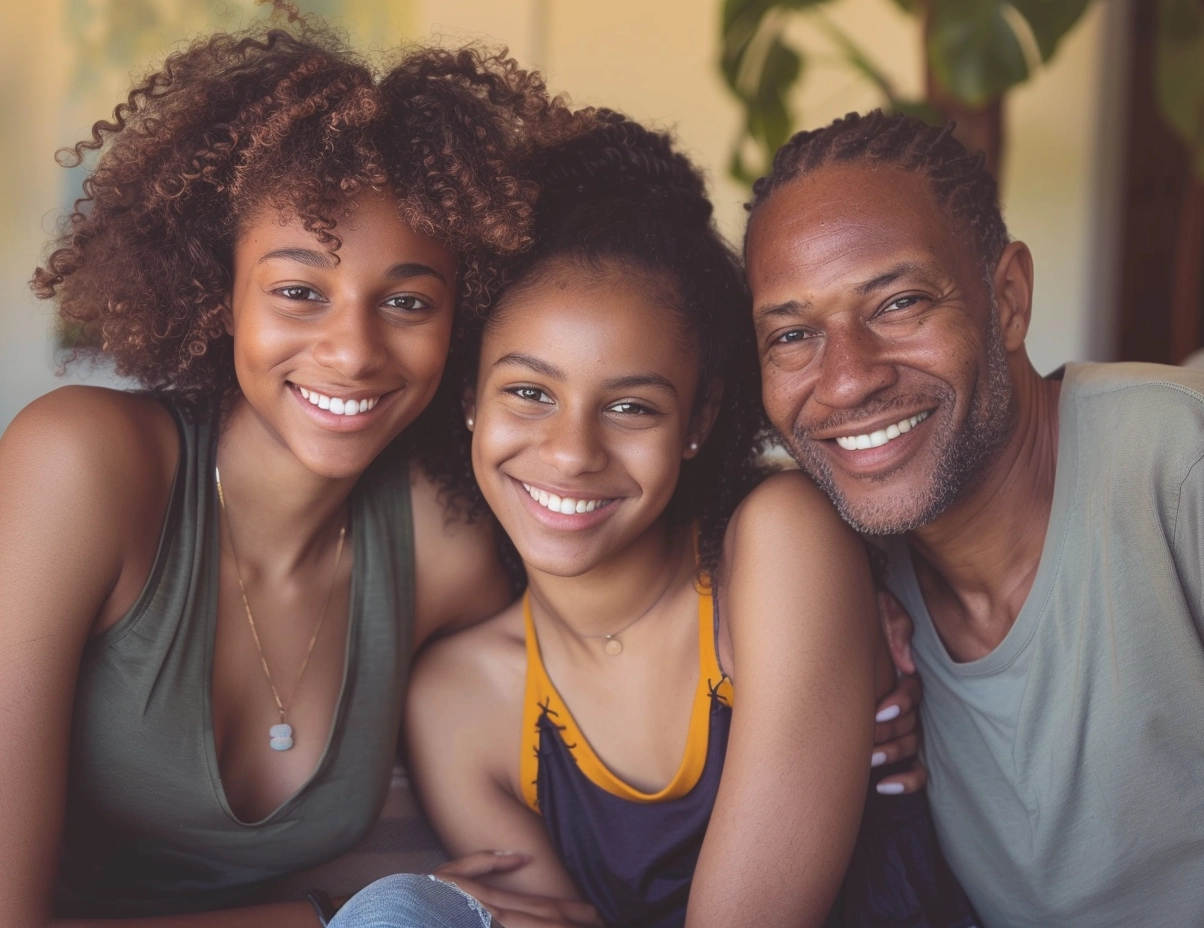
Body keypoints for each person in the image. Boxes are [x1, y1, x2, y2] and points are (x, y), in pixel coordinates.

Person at [0, 16, 582, 925]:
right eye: (299, 291)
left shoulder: (440, 542)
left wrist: (861, 674)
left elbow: (629, 639)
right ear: (217, 291)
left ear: (463, 319)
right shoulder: (82, 468)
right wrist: (330, 914)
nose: (352, 352)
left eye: (406, 301)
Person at [341, 111, 974, 928]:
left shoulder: (776, 541)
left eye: (632, 406)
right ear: (470, 397)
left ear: (701, 418)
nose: (571, 453)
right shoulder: (455, 701)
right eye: (530, 393)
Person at [743, 109, 1204, 928]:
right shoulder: (834, 558)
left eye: (897, 303)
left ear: (1006, 300)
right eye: (793, 334)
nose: (847, 381)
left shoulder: (1191, 468)